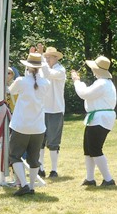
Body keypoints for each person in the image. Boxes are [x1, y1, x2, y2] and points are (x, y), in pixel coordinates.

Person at [8, 52, 50, 196]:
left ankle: (24, 184)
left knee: (14, 155)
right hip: (38, 126)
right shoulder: (46, 83)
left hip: (21, 125)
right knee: (34, 158)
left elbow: (10, 91)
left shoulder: (21, 81)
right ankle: (31, 186)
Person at [71, 56, 116, 187]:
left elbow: (84, 93)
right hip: (96, 118)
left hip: (100, 118)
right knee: (88, 149)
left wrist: (76, 81)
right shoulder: (103, 82)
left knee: (95, 148)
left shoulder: (102, 83)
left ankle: (108, 179)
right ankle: (90, 179)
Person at [37, 46, 66, 178]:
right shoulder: (44, 68)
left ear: (56, 58)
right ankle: (40, 168)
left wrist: (41, 58)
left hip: (55, 109)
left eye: (49, 57)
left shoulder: (60, 70)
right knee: (40, 140)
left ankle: (54, 170)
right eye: (46, 57)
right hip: (42, 109)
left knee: (53, 142)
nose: (47, 59)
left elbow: (48, 73)